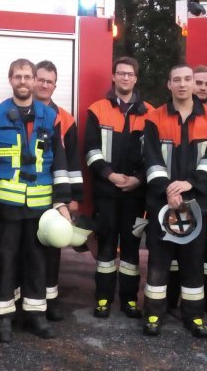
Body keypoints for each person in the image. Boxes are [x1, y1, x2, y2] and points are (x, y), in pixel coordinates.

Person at [0, 58, 72, 343]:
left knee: (36, 262)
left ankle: (35, 315)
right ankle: (3, 318)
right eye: (17, 76)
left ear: (34, 80)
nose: (23, 81)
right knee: (5, 260)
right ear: (10, 80)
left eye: (27, 76)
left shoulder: (50, 116)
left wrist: (62, 201)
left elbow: (60, 162)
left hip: (40, 207)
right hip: (4, 206)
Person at [141, 64, 207, 338]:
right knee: (158, 263)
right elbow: (151, 160)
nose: (183, 84)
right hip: (162, 204)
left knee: (193, 262)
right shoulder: (153, 118)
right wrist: (168, 190)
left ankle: (194, 317)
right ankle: (153, 314)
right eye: (177, 79)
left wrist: (191, 186)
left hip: (197, 204)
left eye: (188, 79)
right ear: (169, 84)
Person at [84, 56, 150, 319]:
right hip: (107, 193)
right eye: (120, 73)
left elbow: (155, 155)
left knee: (132, 248)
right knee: (107, 247)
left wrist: (139, 179)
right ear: (113, 77)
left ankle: (130, 301)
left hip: (136, 194)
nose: (125, 78)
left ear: (136, 78)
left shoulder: (150, 113)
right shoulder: (97, 109)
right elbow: (90, 150)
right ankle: (102, 299)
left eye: (129, 74)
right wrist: (109, 175)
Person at [167, 63, 207, 318]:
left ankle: (202, 308)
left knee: (200, 259)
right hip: (171, 199)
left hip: (203, 198)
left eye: (206, 84)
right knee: (173, 257)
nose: (199, 87)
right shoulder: (163, 116)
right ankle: (168, 304)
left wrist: (194, 184)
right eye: (196, 82)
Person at [33, 60, 82, 322]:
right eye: (40, 79)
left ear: (55, 85)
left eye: (49, 81)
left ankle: (50, 302)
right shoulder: (20, 112)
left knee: (52, 251)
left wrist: (71, 199)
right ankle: (26, 301)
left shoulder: (65, 118)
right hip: (24, 195)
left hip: (54, 197)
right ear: (31, 80)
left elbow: (72, 161)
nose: (44, 84)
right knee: (24, 251)